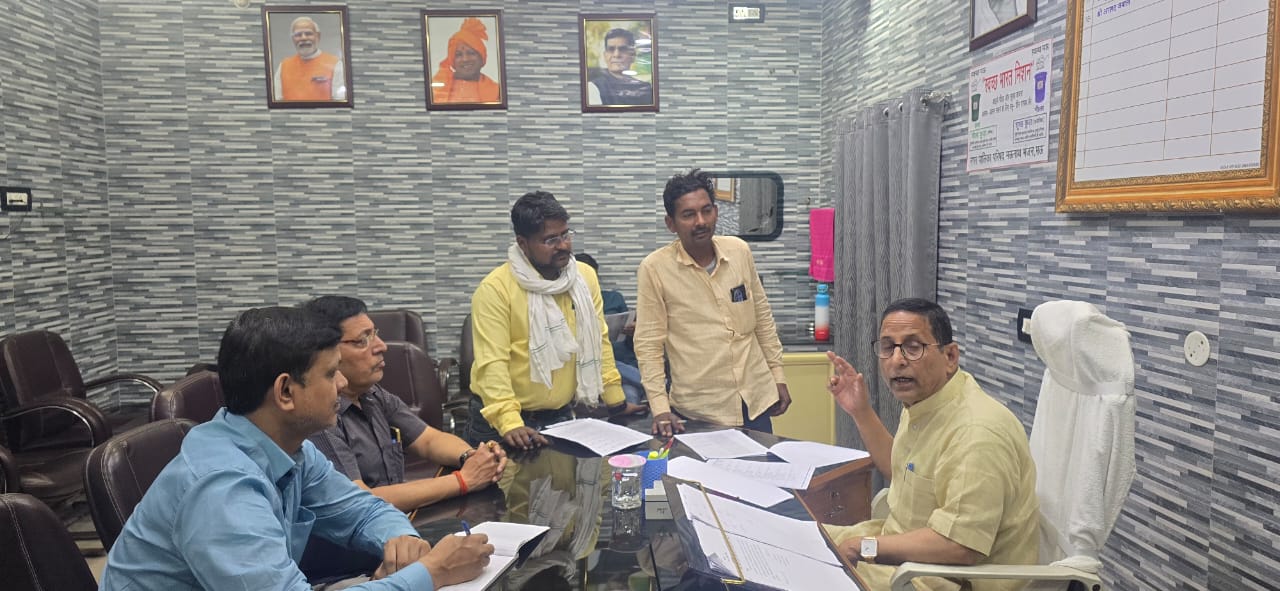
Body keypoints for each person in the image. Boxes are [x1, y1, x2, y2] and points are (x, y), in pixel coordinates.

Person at [100, 307, 493, 590]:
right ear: (285, 391)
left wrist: (402, 542)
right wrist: (431, 573)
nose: (343, 384)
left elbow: (363, 510)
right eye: (330, 373)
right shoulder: (222, 488)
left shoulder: (288, 448)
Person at [823, 298, 1039, 591]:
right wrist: (860, 411)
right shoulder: (925, 402)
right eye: (888, 347)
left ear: (950, 356)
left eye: (913, 347)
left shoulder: (977, 432)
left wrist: (865, 547)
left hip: (937, 578)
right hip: (898, 553)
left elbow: (960, 547)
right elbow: (901, 471)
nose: (897, 360)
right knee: (799, 541)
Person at [302, 296, 508, 512]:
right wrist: (464, 480)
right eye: (363, 340)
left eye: (374, 334)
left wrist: (474, 458)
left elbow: (428, 439)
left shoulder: (372, 394)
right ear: (328, 353)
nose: (381, 346)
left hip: (394, 521)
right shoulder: (320, 417)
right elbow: (360, 500)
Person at [467, 191, 630, 450]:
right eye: (550, 239)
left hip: (560, 417)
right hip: (502, 422)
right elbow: (492, 363)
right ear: (523, 243)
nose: (563, 245)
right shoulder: (495, 290)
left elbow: (599, 341)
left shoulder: (584, 277)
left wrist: (615, 400)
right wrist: (509, 422)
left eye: (565, 234)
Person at [634, 168, 790, 438]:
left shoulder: (739, 251)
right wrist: (660, 408)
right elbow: (649, 344)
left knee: (762, 466)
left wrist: (777, 375)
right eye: (688, 215)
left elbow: (762, 318)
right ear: (671, 223)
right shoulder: (654, 269)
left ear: (716, 212)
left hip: (755, 402)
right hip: (698, 412)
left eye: (706, 211)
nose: (700, 221)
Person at [574, 253, 646, 411]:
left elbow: (631, 342)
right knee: (604, 362)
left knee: (629, 396)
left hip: (622, 362)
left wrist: (633, 331)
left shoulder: (614, 298)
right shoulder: (567, 303)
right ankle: (657, 385)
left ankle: (648, 387)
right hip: (588, 366)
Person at [273, 16, 347, 102]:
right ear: (293, 39)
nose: (303, 38)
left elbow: (340, 101)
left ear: (318, 36)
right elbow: (276, 100)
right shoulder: (284, 66)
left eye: (308, 33)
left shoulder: (335, 64)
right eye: (298, 35)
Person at [431, 17, 502, 104]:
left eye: (471, 53)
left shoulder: (496, 91)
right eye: (458, 55)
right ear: (452, 60)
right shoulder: (437, 87)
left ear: (481, 57)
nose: (465, 59)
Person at [586, 28, 653, 106]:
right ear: (605, 56)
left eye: (622, 49)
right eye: (611, 49)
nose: (616, 55)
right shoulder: (594, 88)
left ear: (633, 56)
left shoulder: (646, 89)